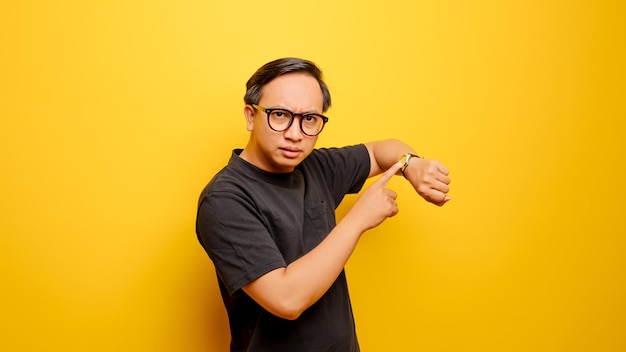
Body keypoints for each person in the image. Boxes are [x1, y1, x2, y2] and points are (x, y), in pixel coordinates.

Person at [196, 57, 451, 351]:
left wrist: (411, 164)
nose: (295, 134)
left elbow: (382, 151)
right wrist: (358, 220)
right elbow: (286, 299)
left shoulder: (316, 166)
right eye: (279, 115)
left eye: (309, 119)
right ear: (251, 116)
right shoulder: (225, 200)